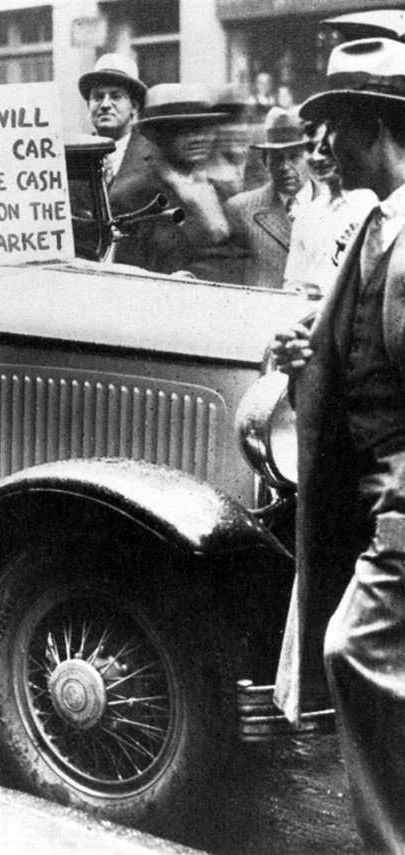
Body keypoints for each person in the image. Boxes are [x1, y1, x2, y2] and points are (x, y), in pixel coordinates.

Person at [271, 37, 405, 852]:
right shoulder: (377, 221)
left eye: (335, 125)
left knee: (352, 649)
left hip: (399, 499)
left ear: (375, 128)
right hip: (376, 491)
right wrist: (309, 347)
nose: (320, 144)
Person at [111, 83, 241, 282]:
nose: (198, 138)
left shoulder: (222, 191)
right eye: (184, 130)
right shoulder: (133, 197)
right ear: (160, 135)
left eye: (203, 128)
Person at [283, 120, 376, 299]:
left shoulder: (372, 203)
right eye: (310, 148)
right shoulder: (307, 215)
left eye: (326, 148)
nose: (317, 157)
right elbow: (294, 282)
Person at [225, 106, 313, 289]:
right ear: (265, 160)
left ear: (310, 158)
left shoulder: (337, 207)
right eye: (277, 158)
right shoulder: (240, 209)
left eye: (294, 157)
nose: (285, 167)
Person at [77, 52, 156, 217]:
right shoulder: (74, 158)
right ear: (88, 105)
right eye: (98, 97)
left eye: (116, 96)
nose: (105, 104)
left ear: (134, 106)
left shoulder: (155, 158)